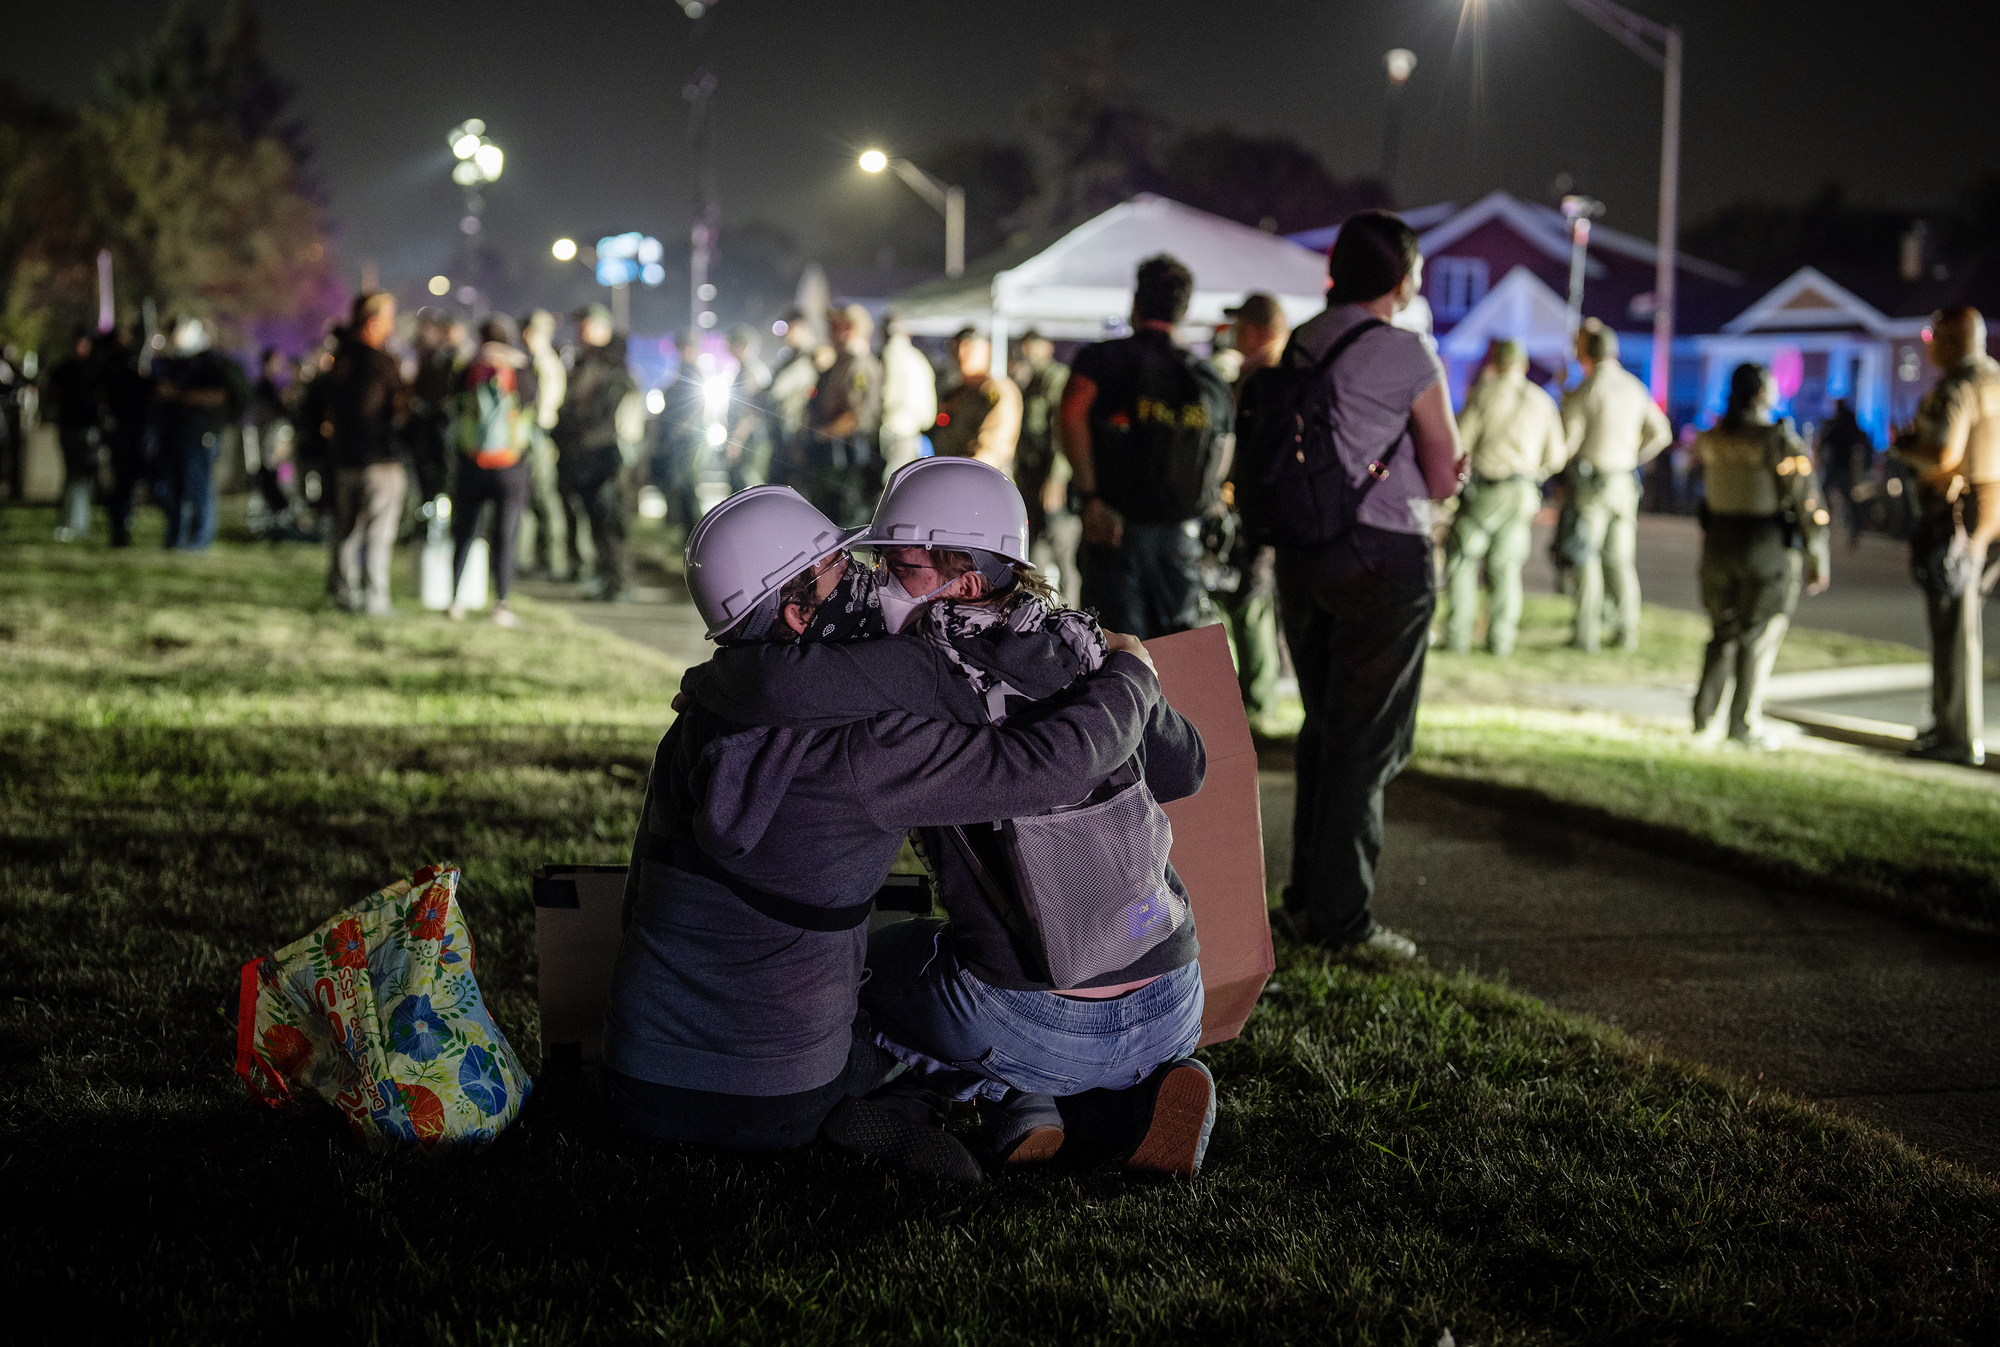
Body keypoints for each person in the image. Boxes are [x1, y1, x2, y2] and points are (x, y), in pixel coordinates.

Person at [600, 486, 1204, 1180]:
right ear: (799, 612)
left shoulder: (729, 712)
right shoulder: (1046, 657)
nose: (869, 580)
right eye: (848, 567)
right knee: (907, 974)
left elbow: (773, 685)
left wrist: (718, 677)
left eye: (889, 566)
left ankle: (1021, 1105)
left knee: (897, 971)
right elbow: (1119, 767)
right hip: (1168, 985)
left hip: (638, 1069)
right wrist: (1130, 673)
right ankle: (1054, 1105)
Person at [1269, 211, 1464, 956]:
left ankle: (1303, 896)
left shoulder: (1306, 338)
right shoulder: (1406, 351)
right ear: (1402, 276)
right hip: (1385, 558)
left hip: (1307, 554)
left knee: (1325, 726)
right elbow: (1443, 475)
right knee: (1368, 742)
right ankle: (1343, 919)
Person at [1059, 254, 1235, 638]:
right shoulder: (1208, 378)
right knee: (1180, 651)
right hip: (1181, 533)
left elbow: (1071, 415)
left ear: (1136, 302)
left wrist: (1090, 496)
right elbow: (1223, 451)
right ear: (1184, 309)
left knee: (1112, 650)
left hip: (1113, 525)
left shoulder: (1102, 359)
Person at [1692, 364, 1832, 746]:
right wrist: (1818, 554)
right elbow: (1807, 499)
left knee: (1722, 632)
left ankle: (1703, 717)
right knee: (1759, 633)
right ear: (1760, 394)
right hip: (1765, 544)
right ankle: (1743, 723)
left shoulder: (1711, 438)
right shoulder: (1777, 440)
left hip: (1718, 542)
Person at [1893, 304, 2000, 767]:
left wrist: (1904, 446)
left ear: (1955, 338)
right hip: (1990, 510)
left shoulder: (1958, 386)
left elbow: (1942, 453)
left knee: (1952, 628)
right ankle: (1956, 728)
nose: (1928, 345)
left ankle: (1956, 734)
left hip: (1957, 514)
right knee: (1965, 623)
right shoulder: (1995, 378)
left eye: (1933, 336)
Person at [1443, 339, 1569, 656]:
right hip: (1523, 492)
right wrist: (1532, 473)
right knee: (1506, 567)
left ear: (1495, 364)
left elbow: (1460, 444)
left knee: (1462, 558)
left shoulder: (1484, 394)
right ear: (1523, 366)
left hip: (1486, 490)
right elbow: (1556, 456)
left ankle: (1458, 637)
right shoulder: (1542, 401)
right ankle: (1501, 641)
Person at [1560, 321, 1673, 651]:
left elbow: (1570, 439)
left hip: (1593, 480)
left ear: (1588, 353)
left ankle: (1586, 633)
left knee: (1586, 556)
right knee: (1620, 560)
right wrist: (1634, 457)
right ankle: (1627, 631)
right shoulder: (1633, 386)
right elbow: (1661, 432)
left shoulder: (1590, 386)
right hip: (1624, 482)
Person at [1217, 294, 1289, 725]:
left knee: (1252, 600)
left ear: (1260, 331)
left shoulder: (1269, 381)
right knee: (1248, 599)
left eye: (1240, 325)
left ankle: (1259, 708)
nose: (1234, 334)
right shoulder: (1265, 376)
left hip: (1258, 514)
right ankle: (1255, 704)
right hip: (1259, 511)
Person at [312, 292, 409, 614]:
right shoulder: (380, 361)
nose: (392, 325)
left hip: (344, 459)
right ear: (374, 321)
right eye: (390, 317)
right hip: (379, 460)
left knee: (346, 530)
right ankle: (375, 599)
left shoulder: (340, 358)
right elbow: (400, 407)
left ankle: (343, 592)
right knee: (378, 533)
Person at [445, 315, 537, 629]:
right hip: (510, 465)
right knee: (505, 537)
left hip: (471, 462)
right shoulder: (519, 369)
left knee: (465, 532)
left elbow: (452, 401)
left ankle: (455, 599)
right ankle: (501, 604)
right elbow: (532, 402)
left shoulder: (469, 368)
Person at [554, 304, 642, 601]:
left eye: (587, 326)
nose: (580, 333)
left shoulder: (615, 367)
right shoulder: (584, 363)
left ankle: (620, 582)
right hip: (587, 456)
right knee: (595, 519)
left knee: (611, 521)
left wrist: (581, 436)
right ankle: (606, 578)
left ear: (603, 329)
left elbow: (610, 417)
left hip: (609, 457)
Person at [153, 317, 247, 553]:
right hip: (178, 434)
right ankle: (175, 538)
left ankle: (199, 539)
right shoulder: (180, 364)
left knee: (199, 487)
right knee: (175, 488)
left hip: (201, 434)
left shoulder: (212, 364)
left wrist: (179, 394)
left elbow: (219, 395)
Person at [800, 303, 883, 526]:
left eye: (837, 326)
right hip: (833, 458)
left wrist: (820, 434)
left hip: (849, 457)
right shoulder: (841, 362)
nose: (831, 332)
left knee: (842, 523)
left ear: (852, 329)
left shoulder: (859, 365)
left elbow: (857, 417)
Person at [929, 327, 1021, 474]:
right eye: (956, 347)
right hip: (953, 474)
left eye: (969, 348)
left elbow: (993, 447)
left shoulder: (995, 390)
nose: (960, 354)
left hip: (981, 477)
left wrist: (966, 473)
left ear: (987, 350)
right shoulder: (958, 392)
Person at [521, 310, 570, 579]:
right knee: (535, 499)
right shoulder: (537, 361)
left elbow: (544, 408)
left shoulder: (546, 363)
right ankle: (540, 559)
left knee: (545, 498)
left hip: (542, 435)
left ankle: (555, 561)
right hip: (536, 435)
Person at [100, 328, 153, 548]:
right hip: (128, 434)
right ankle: (120, 529)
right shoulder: (124, 368)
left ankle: (119, 528)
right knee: (124, 485)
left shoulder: (108, 367)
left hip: (120, 434)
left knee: (121, 485)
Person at [45, 329, 99, 541]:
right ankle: (70, 522)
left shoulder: (92, 369)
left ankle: (77, 522)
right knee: (74, 475)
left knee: (82, 476)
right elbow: (50, 395)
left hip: (85, 426)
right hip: (70, 426)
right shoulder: (65, 370)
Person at [654, 332, 708, 534]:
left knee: (686, 485)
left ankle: (695, 531)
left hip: (688, 438)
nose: (682, 352)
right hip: (682, 438)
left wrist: (678, 431)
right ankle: (689, 531)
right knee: (681, 485)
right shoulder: (684, 371)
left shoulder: (693, 373)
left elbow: (695, 407)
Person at [877, 315, 937, 480]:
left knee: (891, 485)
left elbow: (885, 393)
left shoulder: (889, 354)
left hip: (895, 430)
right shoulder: (918, 357)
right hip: (913, 432)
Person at [1816, 399, 1873, 549]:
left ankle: (1823, 529)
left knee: (1823, 497)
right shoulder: (1849, 422)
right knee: (1848, 501)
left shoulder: (1838, 422)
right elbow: (1862, 440)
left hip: (1837, 467)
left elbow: (1826, 441)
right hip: (1844, 467)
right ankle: (1852, 532)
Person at [723, 324, 773, 492]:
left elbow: (750, 412)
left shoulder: (749, 373)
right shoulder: (749, 370)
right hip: (750, 437)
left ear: (740, 346)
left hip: (751, 438)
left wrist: (737, 440)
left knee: (748, 484)